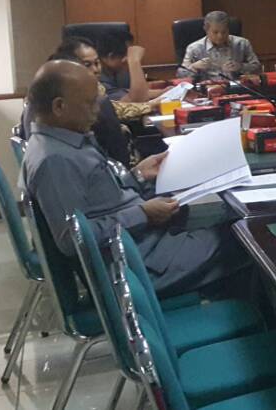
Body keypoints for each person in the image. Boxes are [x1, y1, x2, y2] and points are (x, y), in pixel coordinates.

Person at [23, 60, 245, 296]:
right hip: (140, 265)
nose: (97, 110)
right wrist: (143, 214)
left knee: (231, 223)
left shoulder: (65, 141)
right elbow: (72, 239)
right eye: (89, 103)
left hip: (145, 246)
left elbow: (99, 198)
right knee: (248, 239)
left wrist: (137, 176)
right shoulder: (55, 161)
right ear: (59, 106)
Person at [48, 38, 149, 166]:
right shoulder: (70, 94)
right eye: (87, 65)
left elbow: (112, 107)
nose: (96, 69)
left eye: (97, 63)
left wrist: (152, 104)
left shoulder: (94, 86)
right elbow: (111, 109)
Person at [179, 11, 261, 81]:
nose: (220, 36)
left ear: (228, 29)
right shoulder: (194, 48)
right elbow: (180, 74)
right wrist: (194, 67)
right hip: (207, 89)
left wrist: (240, 66)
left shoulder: (242, 43)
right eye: (215, 32)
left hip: (236, 87)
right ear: (206, 29)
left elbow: (258, 68)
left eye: (224, 32)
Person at [93, 27, 152, 103]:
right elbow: (137, 101)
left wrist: (163, 91)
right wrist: (134, 61)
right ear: (110, 57)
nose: (128, 58)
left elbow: (138, 92)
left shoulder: (118, 69)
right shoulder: (96, 79)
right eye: (127, 55)